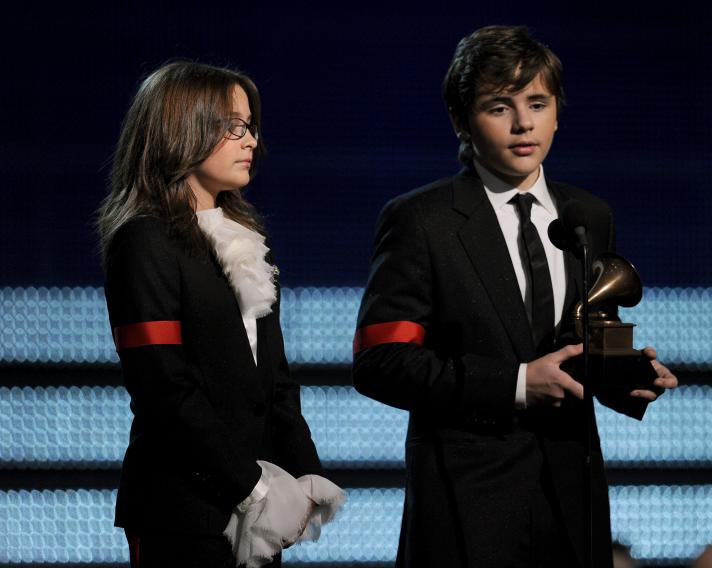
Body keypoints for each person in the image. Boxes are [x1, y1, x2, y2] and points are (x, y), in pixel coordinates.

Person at [352, 25, 677, 568]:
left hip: (574, 498)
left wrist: (624, 381)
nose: (524, 124)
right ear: (461, 120)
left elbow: (589, 337)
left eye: (537, 103)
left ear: (556, 110)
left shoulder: (589, 216)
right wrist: (518, 384)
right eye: (499, 107)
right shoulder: (421, 220)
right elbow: (381, 363)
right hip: (468, 503)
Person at [98, 61, 344, 568]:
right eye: (233, 127)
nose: (250, 140)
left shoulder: (247, 238)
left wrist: (303, 476)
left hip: (258, 510)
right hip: (184, 511)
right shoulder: (144, 240)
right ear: (181, 128)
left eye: (251, 125)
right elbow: (164, 388)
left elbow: (274, 379)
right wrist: (250, 488)